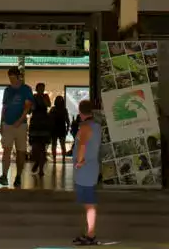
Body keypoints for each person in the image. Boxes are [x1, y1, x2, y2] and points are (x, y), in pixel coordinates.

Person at [0, 68, 33, 186]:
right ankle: (5, 176)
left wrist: (20, 120)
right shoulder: (7, 90)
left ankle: (18, 177)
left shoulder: (26, 89)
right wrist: (2, 123)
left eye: (13, 78)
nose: (11, 80)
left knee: (21, 151)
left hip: (21, 125)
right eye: (9, 78)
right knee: (6, 150)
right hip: (7, 124)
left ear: (18, 77)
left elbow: (27, 107)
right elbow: (4, 107)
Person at [71, 100, 101, 245]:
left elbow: (82, 145)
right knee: (88, 203)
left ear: (80, 112)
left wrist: (79, 161)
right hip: (91, 168)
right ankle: (89, 232)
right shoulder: (96, 126)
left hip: (85, 170)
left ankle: (91, 235)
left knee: (89, 204)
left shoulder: (85, 127)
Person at [29, 93, 52, 176]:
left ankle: (41, 169)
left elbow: (48, 104)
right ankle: (37, 161)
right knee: (35, 147)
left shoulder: (45, 96)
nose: (41, 90)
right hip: (35, 123)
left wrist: (43, 99)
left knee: (42, 147)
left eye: (43, 88)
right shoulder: (34, 97)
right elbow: (30, 110)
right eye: (40, 88)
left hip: (44, 123)